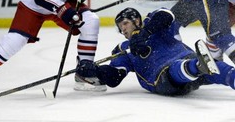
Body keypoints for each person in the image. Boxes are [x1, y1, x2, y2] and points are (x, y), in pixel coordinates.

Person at [94, 7, 235, 95]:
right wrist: (95, 70)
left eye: (125, 23)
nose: (123, 29)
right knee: (178, 68)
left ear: (137, 20)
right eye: (120, 27)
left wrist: (144, 33)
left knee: (214, 67)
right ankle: (197, 67)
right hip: (162, 79)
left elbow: (167, 15)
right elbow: (114, 78)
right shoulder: (124, 48)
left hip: (189, 58)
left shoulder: (153, 24)